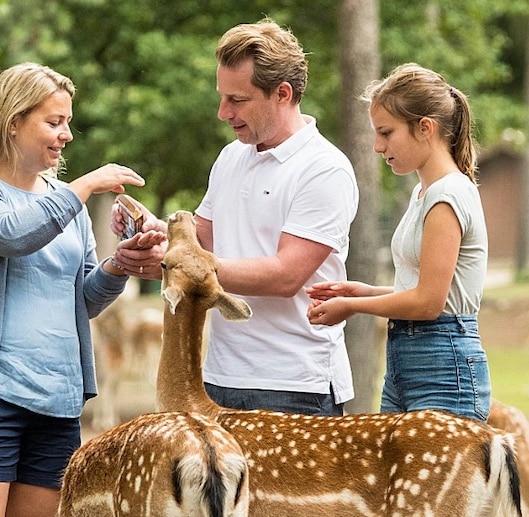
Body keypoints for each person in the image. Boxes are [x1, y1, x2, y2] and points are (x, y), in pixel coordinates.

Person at [0, 62, 158, 517]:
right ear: (14, 121)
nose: (66, 134)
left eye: (68, 122)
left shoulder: (65, 205)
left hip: (57, 398)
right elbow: (12, 234)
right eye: (54, 122)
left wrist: (120, 263)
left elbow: (84, 300)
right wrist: (87, 185)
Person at [112, 18, 359, 416]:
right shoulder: (231, 157)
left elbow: (286, 275)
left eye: (237, 100)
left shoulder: (324, 168)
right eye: (222, 97)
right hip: (218, 379)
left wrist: (183, 265)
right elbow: (202, 241)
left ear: (282, 93)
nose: (222, 112)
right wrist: (155, 234)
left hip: (293, 386)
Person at [305, 63, 491, 422]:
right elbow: (422, 290)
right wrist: (361, 291)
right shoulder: (425, 193)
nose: (377, 146)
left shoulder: (447, 196)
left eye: (386, 133)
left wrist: (352, 307)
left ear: (425, 128)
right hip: (408, 361)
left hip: (442, 366)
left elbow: (428, 303)